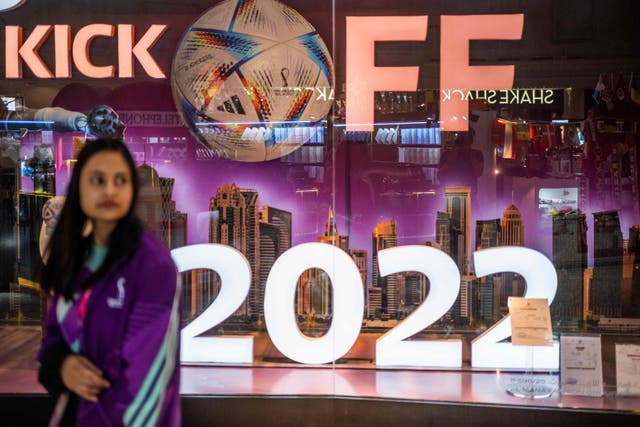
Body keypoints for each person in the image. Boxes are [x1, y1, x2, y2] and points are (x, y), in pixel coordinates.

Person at [37, 138, 180, 426]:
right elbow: (53, 341)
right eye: (97, 180)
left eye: (120, 180)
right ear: (79, 187)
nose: (110, 190)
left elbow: (146, 376)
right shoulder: (74, 257)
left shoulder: (153, 264)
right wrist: (63, 367)